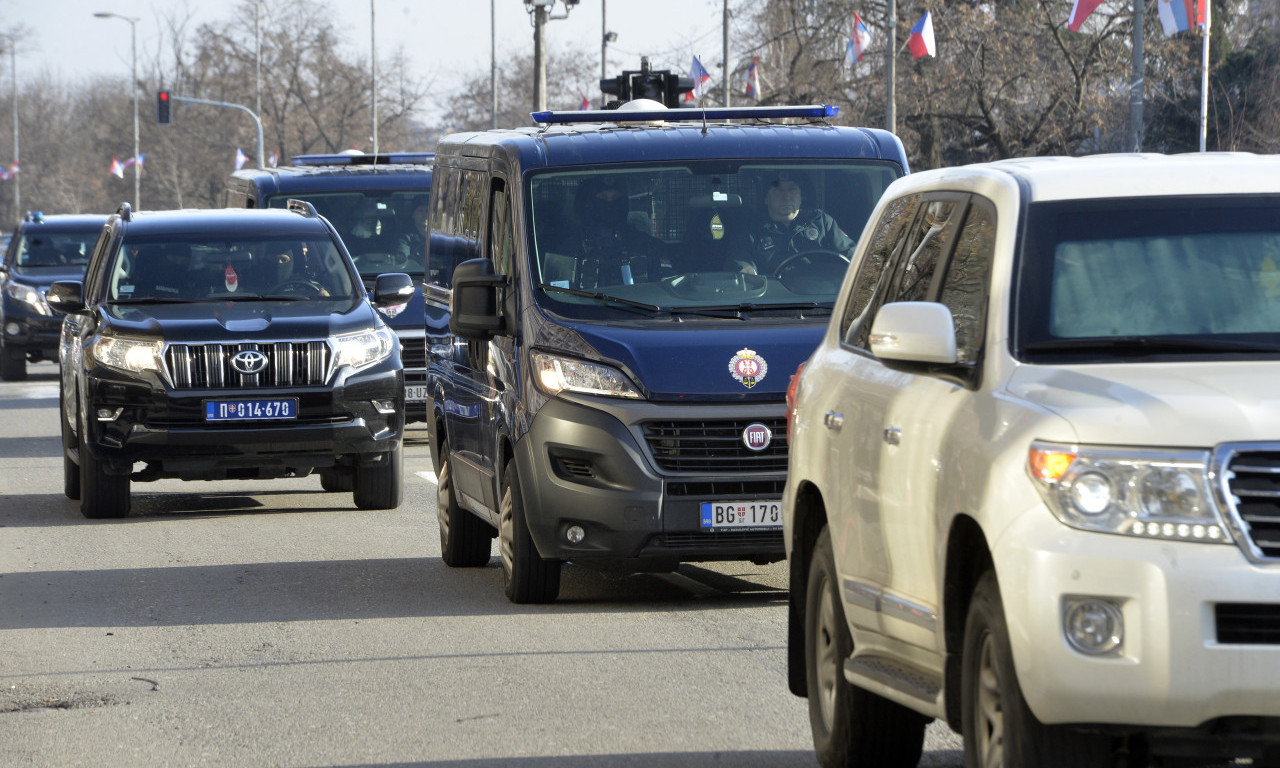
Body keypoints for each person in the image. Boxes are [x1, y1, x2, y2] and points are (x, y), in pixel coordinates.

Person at [728, 173, 856, 275]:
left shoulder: (822, 223)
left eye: (792, 189)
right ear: (766, 198)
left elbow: (853, 257)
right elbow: (742, 265)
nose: (787, 196)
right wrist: (746, 269)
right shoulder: (752, 232)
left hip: (821, 299)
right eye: (778, 190)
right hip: (774, 302)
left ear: (801, 196)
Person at [566, 176, 669, 287]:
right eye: (603, 197)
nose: (609, 203)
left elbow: (666, 289)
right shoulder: (571, 246)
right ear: (587, 203)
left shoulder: (647, 245)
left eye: (616, 197)